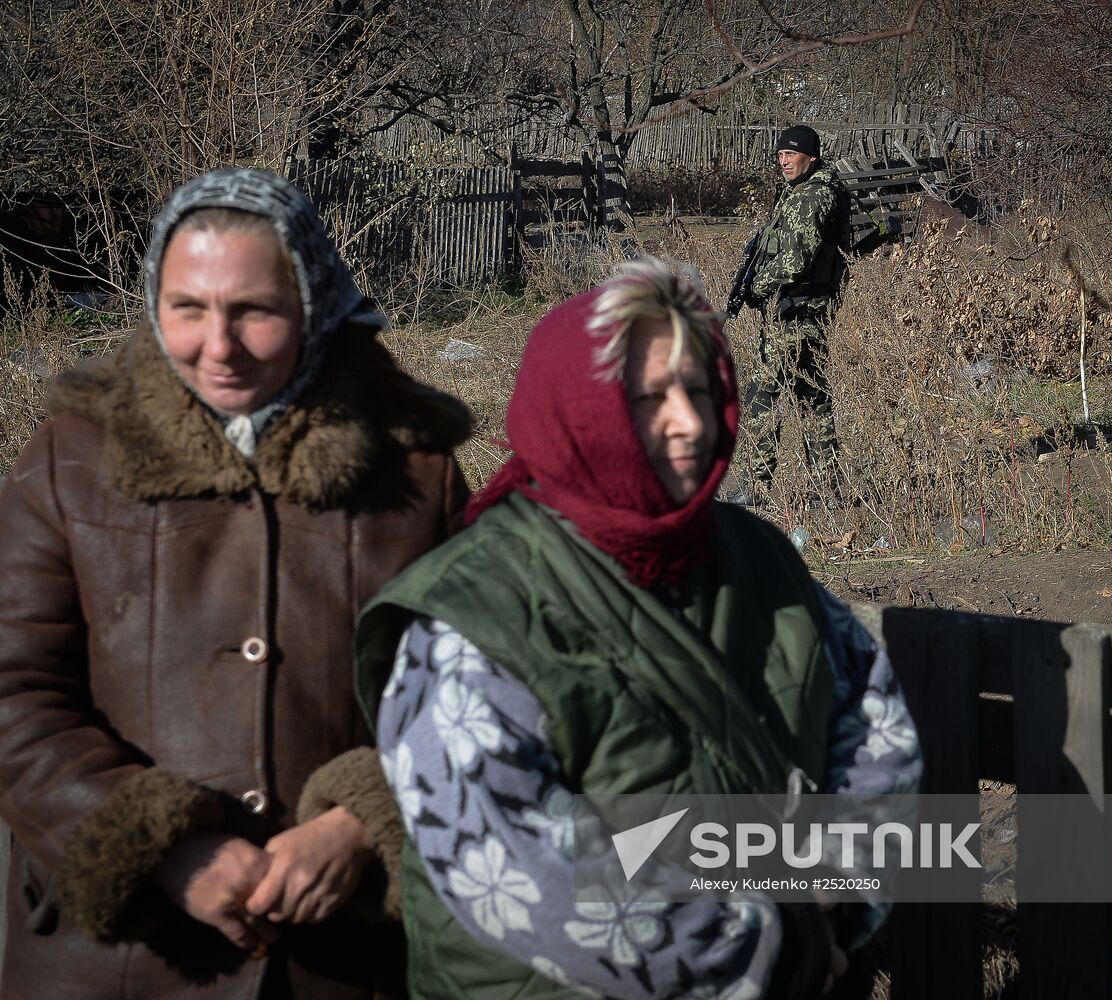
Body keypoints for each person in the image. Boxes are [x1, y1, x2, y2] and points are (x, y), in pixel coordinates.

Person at [355, 258, 921, 998]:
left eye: (697, 388)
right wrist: (772, 949)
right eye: (650, 397)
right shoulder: (471, 613)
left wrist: (832, 901)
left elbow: (875, 729)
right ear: (580, 413)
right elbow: (520, 868)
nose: (689, 421)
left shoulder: (759, 558)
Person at [0, 167, 471, 997]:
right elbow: (14, 691)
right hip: (115, 959)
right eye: (188, 308)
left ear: (313, 305)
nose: (218, 345)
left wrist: (365, 819)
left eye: (253, 309)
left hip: (344, 958)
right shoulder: (70, 463)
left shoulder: (414, 473)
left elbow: (471, 692)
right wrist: (156, 845)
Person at [740, 124, 851, 491]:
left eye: (791, 154)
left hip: (793, 314)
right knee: (813, 398)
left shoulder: (809, 198)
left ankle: (758, 487)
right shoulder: (811, 191)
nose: (783, 161)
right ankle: (827, 488)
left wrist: (757, 287)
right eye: (780, 154)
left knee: (761, 397)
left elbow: (795, 259)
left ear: (811, 156)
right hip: (811, 312)